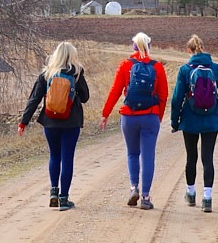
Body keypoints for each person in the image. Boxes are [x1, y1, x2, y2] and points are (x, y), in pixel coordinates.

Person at [99, 32, 168, 210]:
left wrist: (105, 114)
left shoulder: (125, 65)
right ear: (149, 46)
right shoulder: (157, 67)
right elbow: (163, 95)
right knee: (148, 157)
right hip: (150, 116)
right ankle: (145, 197)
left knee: (132, 153)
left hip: (129, 116)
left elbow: (115, 91)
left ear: (133, 47)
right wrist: (158, 117)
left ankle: (133, 188)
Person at [170, 34, 218, 213]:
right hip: (211, 120)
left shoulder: (185, 70)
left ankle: (191, 193)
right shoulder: (214, 68)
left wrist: (174, 121)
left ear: (189, 50)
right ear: (203, 48)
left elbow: (177, 98)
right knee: (207, 158)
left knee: (191, 157)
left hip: (189, 119)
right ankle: (207, 198)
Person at [19, 42, 89, 211]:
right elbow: (86, 97)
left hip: (50, 122)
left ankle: (53, 193)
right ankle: (64, 199)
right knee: (67, 158)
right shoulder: (77, 73)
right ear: (72, 55)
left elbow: (34, 99)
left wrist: (23, 122)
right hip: (71, 123)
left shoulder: (47, 73)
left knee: (54, 156)